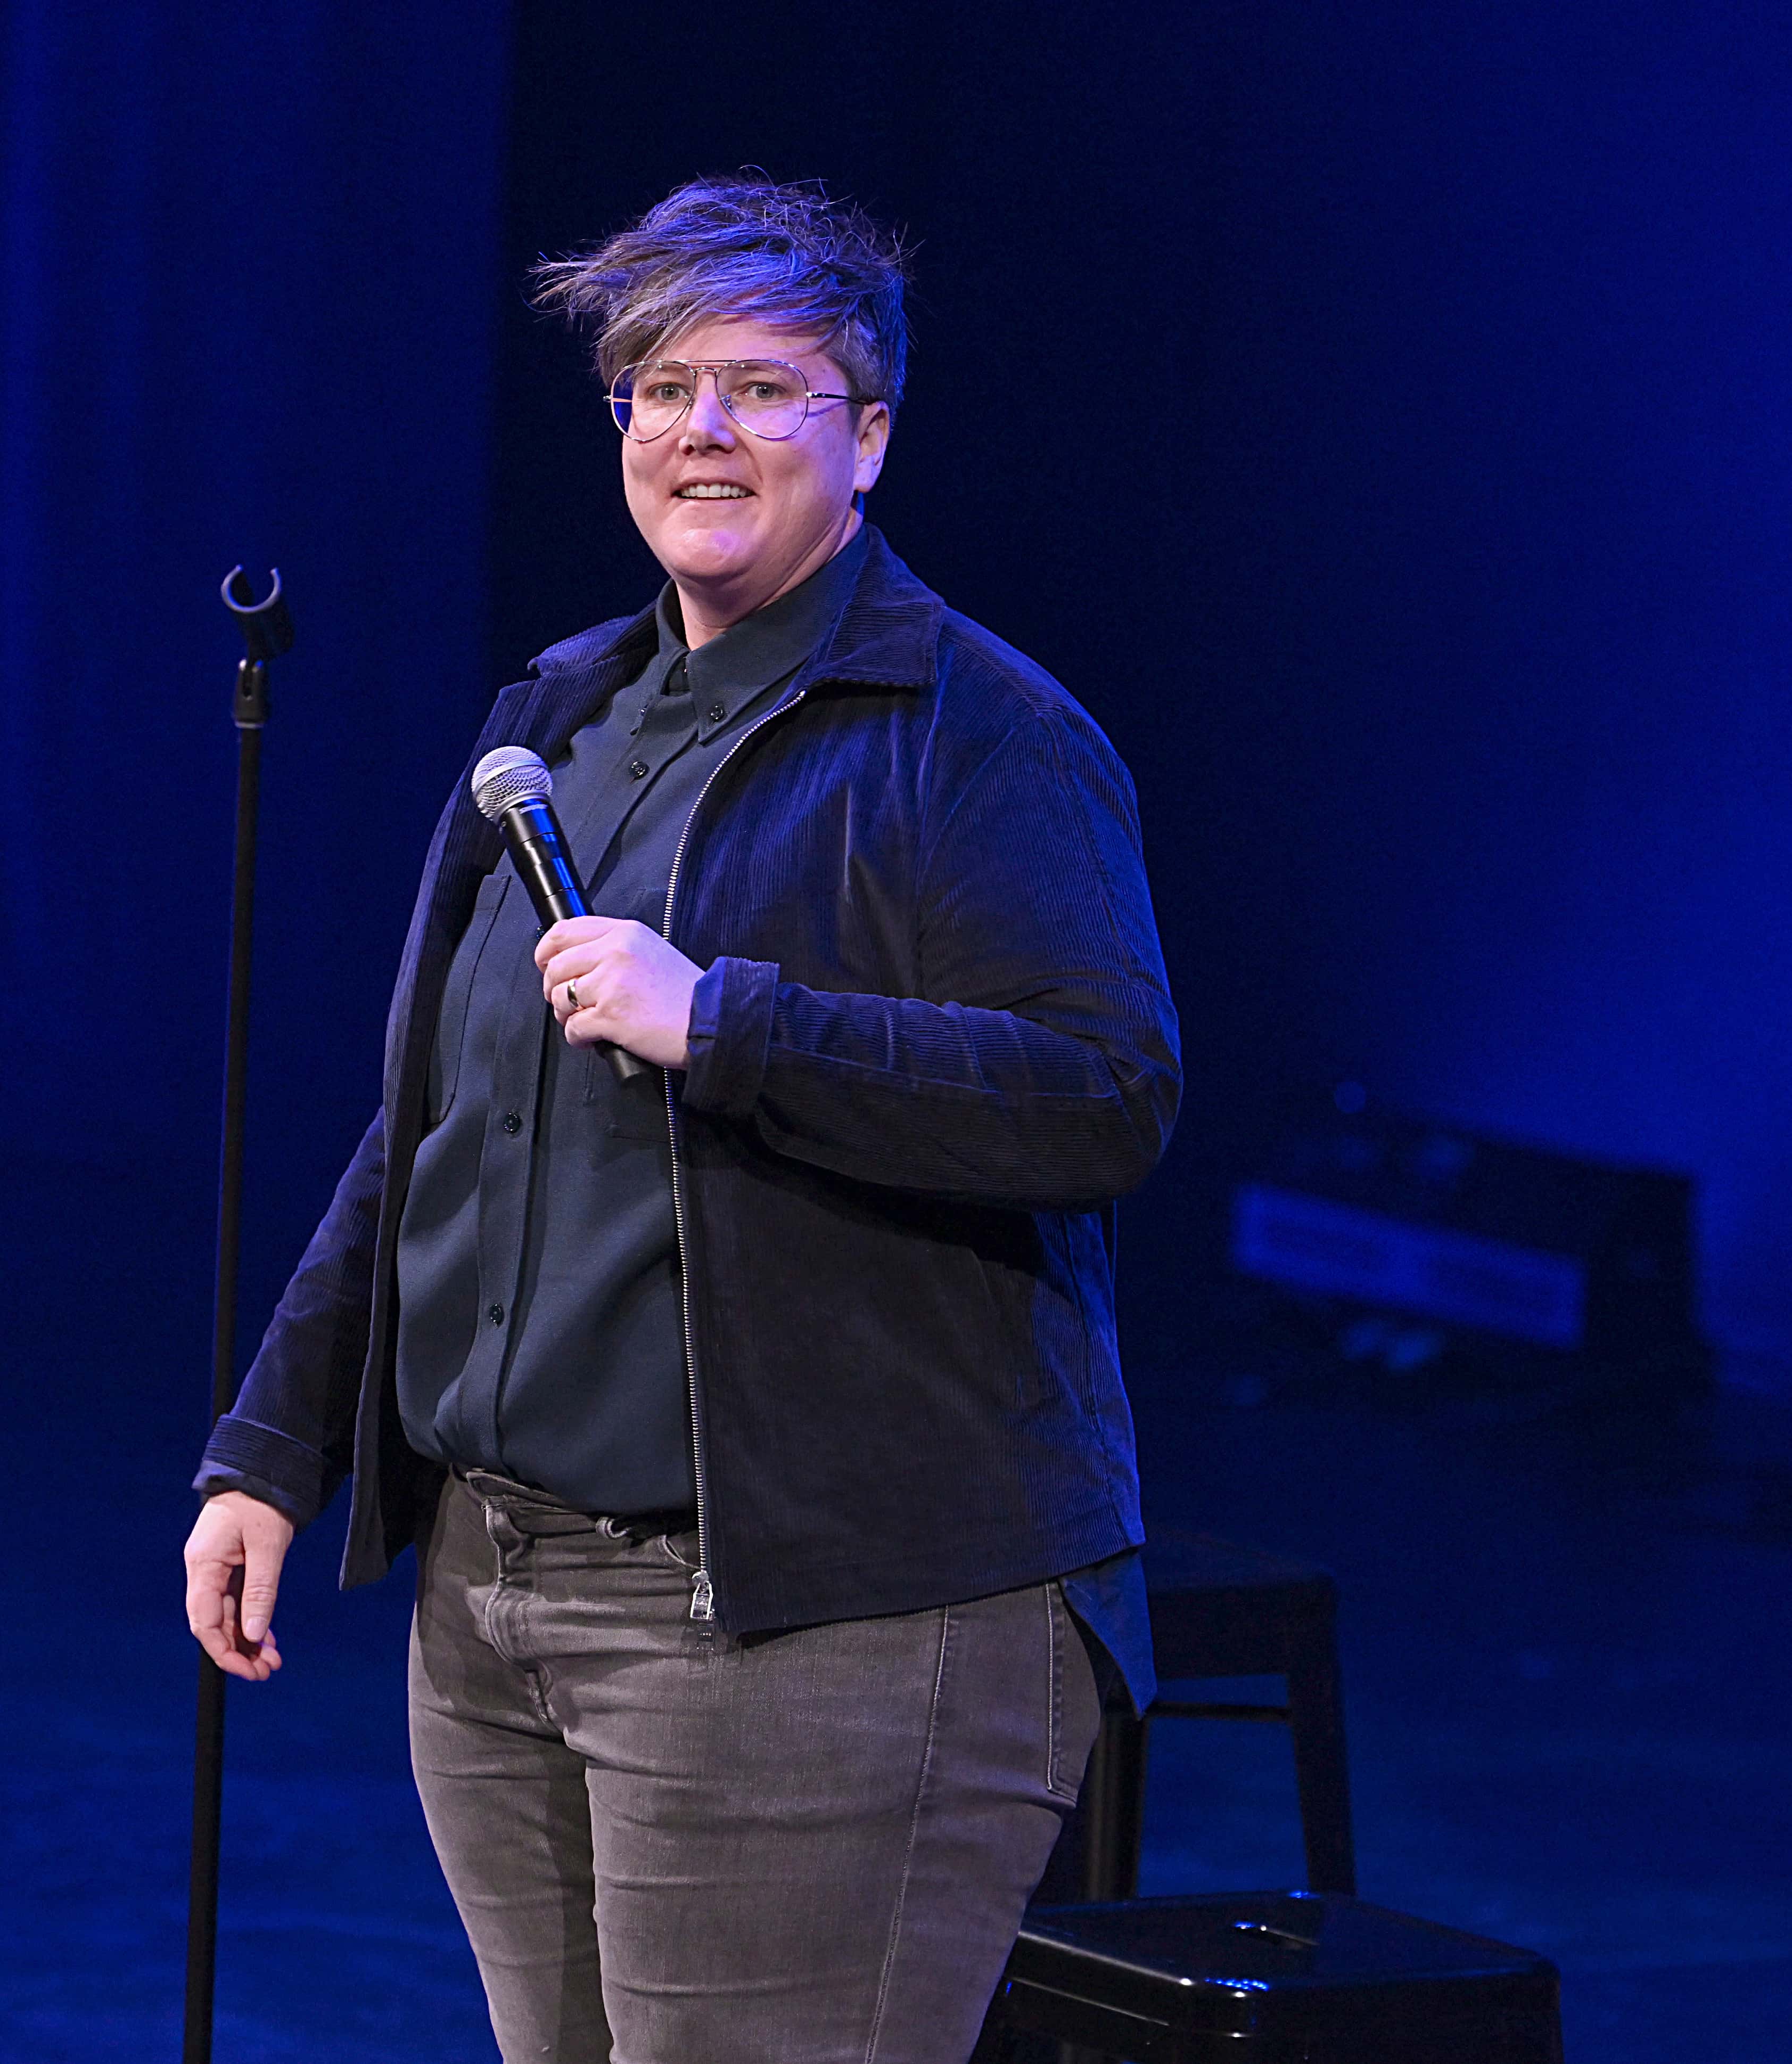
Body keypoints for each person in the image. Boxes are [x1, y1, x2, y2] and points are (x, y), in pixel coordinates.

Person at [182, 173, 1180, 2064]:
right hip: (497, 1605)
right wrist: (274, 1447)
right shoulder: (562, 712)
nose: (697, 428)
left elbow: (1104, 1094)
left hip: (827, 1628)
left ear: (869, 434)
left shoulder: (974, 735)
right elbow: (429, 1130)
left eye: (762, 386)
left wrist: (730, 1021)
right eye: (656, 385)